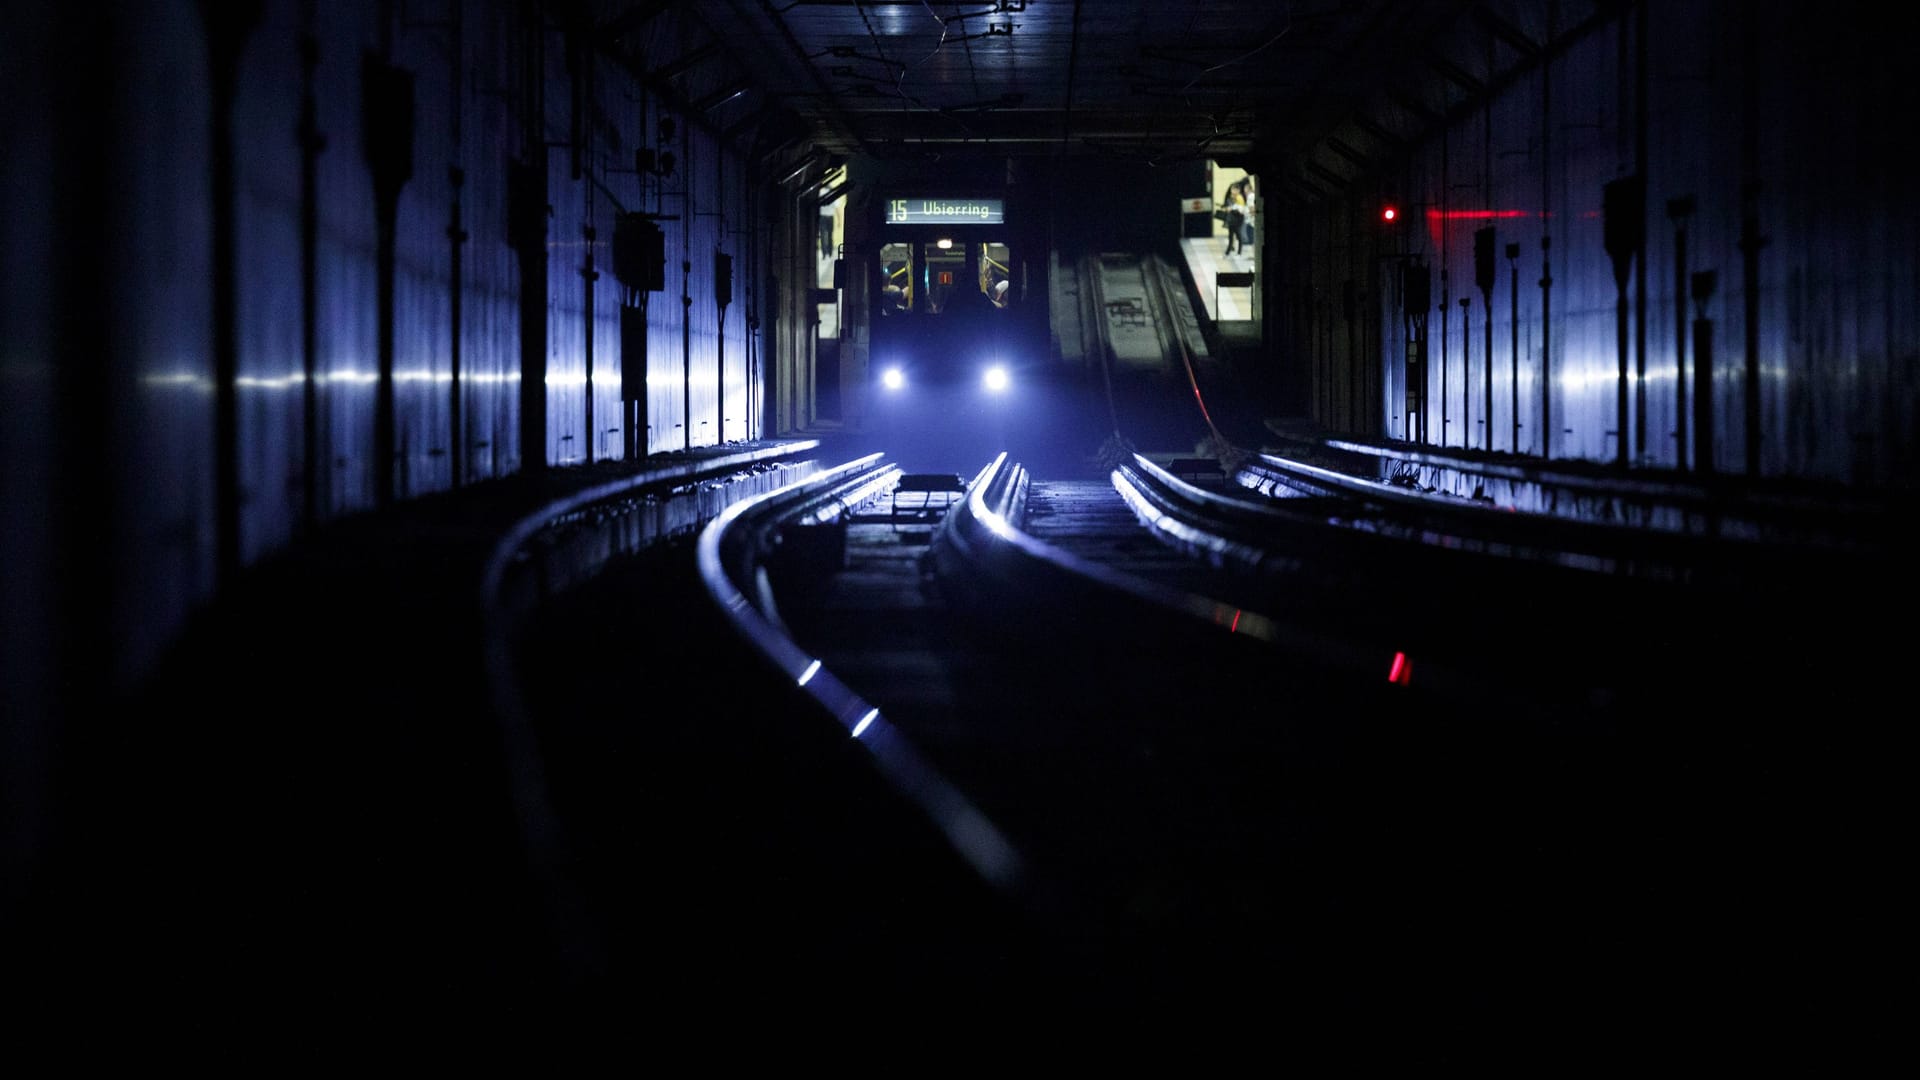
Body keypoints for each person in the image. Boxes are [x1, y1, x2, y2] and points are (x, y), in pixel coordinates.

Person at [1223, 179, 1249, 256]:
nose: (1233, 191)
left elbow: (1241, 209)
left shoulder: (1239, 198)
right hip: (1231, 219)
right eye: (1232, 189)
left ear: (1238, 190)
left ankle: (1239, 252)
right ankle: (1227, 252)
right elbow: (1228, 206)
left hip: (1238, 219)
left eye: (1235, 189)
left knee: (1238, 235)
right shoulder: (1230, 197)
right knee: (1231, 236)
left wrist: (1232, 208)